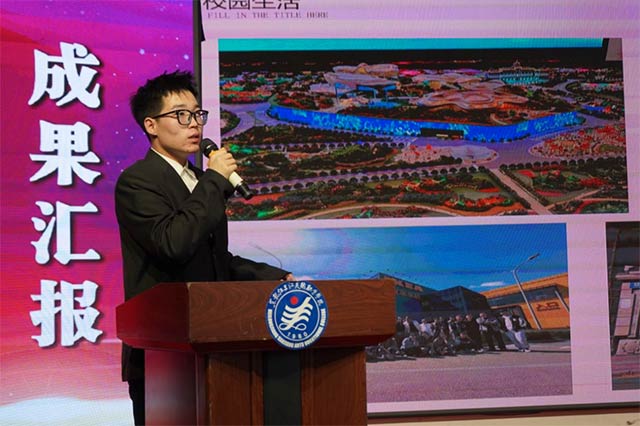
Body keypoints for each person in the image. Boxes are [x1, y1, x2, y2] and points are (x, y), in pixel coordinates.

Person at [115, 70, 292, 425]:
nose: (194, 124)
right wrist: (214, 180)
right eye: (181, 115)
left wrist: (275, 277)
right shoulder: (137, 182)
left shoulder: (198, 180)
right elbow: (174, 243)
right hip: (162, 351)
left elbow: (215, 259)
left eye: (197, 114)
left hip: (214, 344)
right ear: (151, 125)